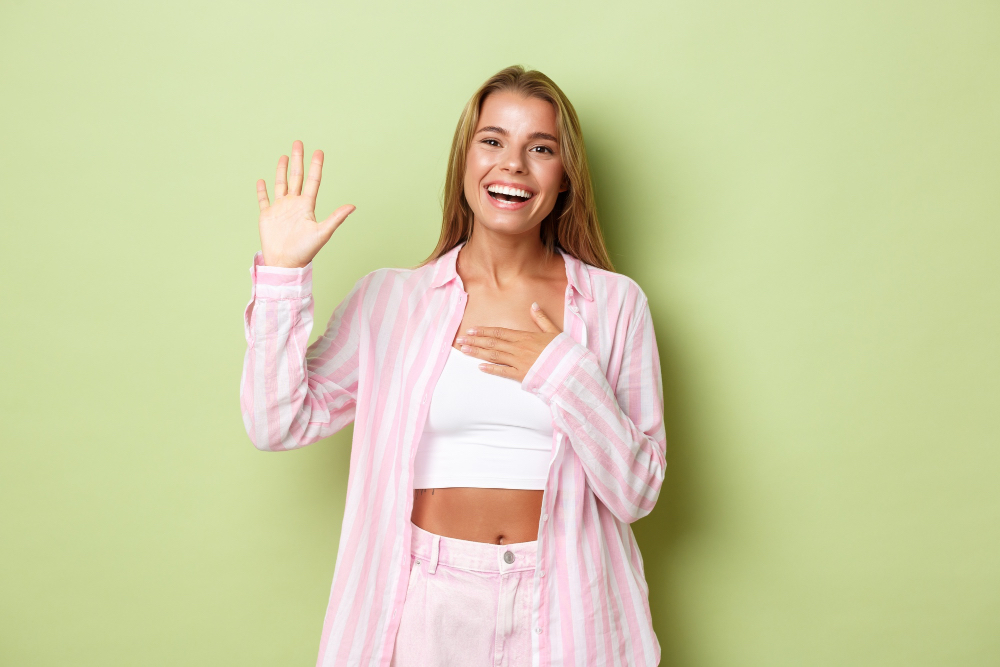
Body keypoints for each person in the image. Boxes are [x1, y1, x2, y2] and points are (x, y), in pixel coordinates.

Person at [241, 65, 667, 667]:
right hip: (429, 601)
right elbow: (276, 424)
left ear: (565, 175)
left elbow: (637, 492)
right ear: (464, 160)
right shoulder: (391, 301)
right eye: (492, 141)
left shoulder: (615, 305)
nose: (512, 164)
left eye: (540, 148)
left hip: (568, 598)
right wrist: (283, 277)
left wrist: (565, 373)